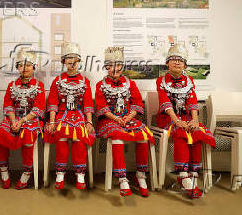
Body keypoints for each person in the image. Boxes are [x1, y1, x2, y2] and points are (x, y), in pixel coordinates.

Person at [156, 44, 216, 198]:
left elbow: (192, 101)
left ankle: (193, 172)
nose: (176, 62)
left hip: (187, 118)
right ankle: (183, 175)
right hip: (168, 118)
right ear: (167, 63)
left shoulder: (189, 81)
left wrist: (195, 119)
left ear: (185, 64)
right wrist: (175, 120)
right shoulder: (160, 81)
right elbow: (165, 102)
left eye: (180, 60)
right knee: (181, 132)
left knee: (196, 132)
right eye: (173, 59)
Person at [95, 46, 155, 197]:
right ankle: (122, 178)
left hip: (128, 119)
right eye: (111, 65)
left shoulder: (131, 84)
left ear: (122, 66)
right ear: (106, 67)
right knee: (117, 135)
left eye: (118, 65)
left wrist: (128, 117)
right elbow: (102, 107)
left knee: (143, 134)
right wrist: (116, 118)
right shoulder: (100, 85)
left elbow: (137, 104)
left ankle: (141, 175)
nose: (115, 69)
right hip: (109, 121)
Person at [0, 47, 45, 189]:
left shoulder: (40, 86)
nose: (24, 68)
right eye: (21, 65)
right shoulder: (11, 85)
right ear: (17, 68)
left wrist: (21, 121)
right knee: (0, 132)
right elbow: (8, 104)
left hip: (31, 120)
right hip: (13, 118)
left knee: (27, 133)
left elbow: (38, 109)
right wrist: (14, 120)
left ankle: (27, 172)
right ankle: (3, 170)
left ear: (34, 67)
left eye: (27, 65)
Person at [45, 42, 95, 190]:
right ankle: (60, 174)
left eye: (74, 59)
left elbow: (87, 104)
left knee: (79, 135)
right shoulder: (58, 81)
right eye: (68, 59)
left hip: (79, 115)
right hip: (61, 115)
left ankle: (80, 175)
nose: (72, 62)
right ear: (64, 62)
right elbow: (53, 103)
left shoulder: (85, 81)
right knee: (61, 134)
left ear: (79, 61)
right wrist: (53, 121)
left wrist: (89, 122)